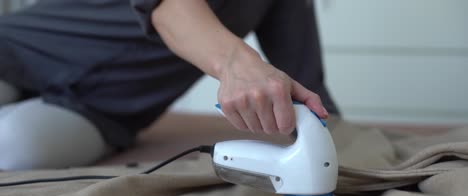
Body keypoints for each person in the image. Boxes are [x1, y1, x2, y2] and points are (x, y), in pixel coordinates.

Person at [0, 0, 339, 170]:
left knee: (15, 149)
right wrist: (239, 64)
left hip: (101, 109)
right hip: (17, 49)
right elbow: (167, 7)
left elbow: (307, 86)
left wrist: (335, 144)